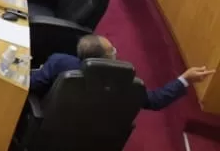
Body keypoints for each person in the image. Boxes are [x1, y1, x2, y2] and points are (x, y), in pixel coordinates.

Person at [31, 35, 213, 112]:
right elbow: (155, 101)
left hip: (52, 118)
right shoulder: (124, 81)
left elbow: (32, 84)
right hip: (90, 130)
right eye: (112, 50)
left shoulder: (59, 62)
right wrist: (185, 79)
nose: (116, 51)